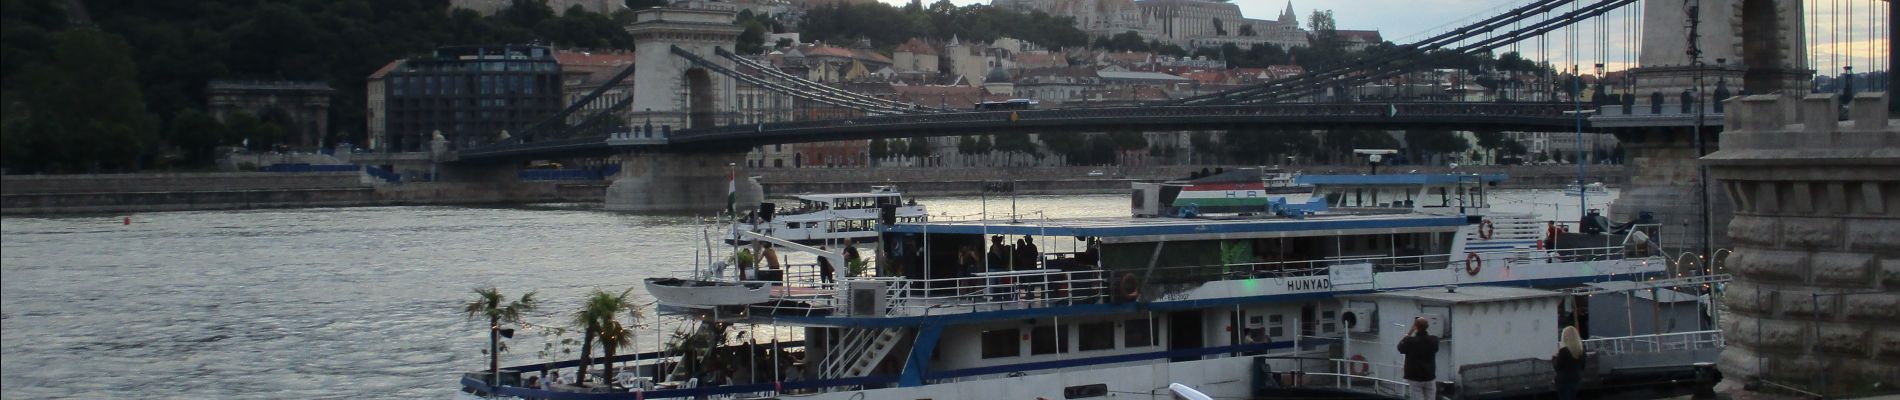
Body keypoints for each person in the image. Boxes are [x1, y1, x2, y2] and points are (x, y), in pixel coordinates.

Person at [1396, 318, 1440, 400]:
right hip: (1429, 375)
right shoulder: (1434, 340)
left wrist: (1409, 333)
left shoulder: (1410, 341)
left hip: (1415, 377)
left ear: (1416, 327)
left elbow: (1400, 348)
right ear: (1427, 326)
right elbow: (1435, 348)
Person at [1553, 326, 1586, 400]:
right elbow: (1583, 366)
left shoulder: (1563, 351)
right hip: (1576, 379)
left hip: (1564, 381)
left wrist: (1554, 358)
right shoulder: (1581, 351)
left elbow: (1557, 366)